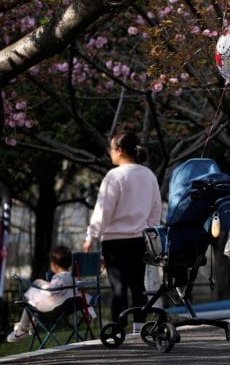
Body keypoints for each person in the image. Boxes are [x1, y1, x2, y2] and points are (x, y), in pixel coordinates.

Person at [83, 131, 162, 334]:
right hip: (140, 239)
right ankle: (139, 327)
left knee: (119, 287)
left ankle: (118, 327)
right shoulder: (149, 175)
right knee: (138, 286)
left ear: (119, 151)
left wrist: (91, 235)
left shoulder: (114, 176)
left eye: (111, 149)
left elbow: (103, 210)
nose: (110, 153)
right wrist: (150, 230)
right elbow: (156, 209)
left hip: (115, 241)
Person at [6, 246, 75, 342]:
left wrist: (43, 287)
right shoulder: (72, 277)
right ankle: (31, 324)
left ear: (54, 265)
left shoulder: (59, 278)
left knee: (30, 303)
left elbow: (51, 292)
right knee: (37, 295)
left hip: (54, 309)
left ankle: (22, 330)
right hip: (67, 307)